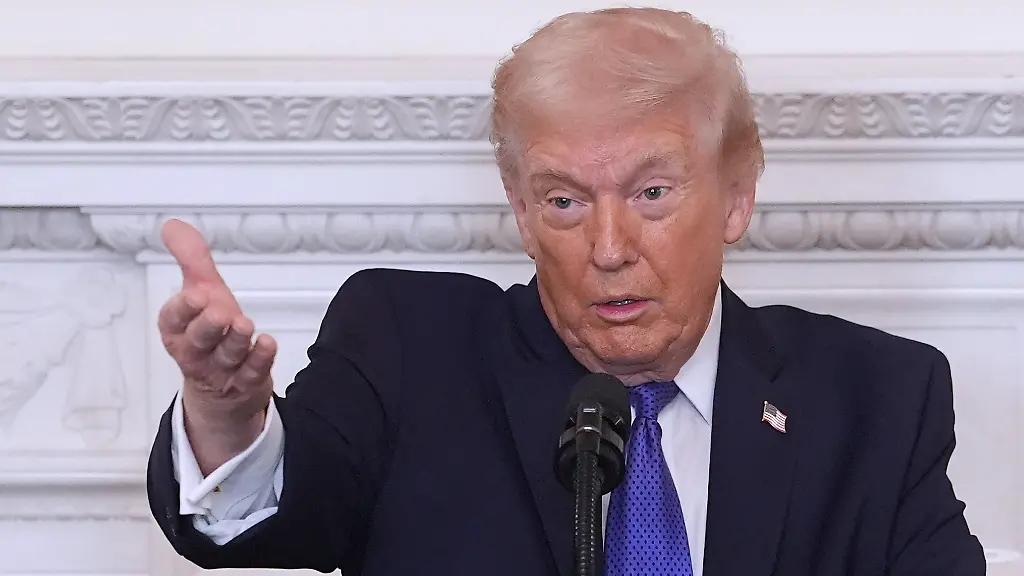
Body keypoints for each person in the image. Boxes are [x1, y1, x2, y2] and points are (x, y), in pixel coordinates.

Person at [146, 7, 987, 576]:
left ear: (737, 196)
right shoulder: (412, 351)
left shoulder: (876, 399)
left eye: (651, 193)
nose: (609, 249)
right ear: (520, 209)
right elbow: (279, 512)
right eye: (564, 202)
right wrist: (227, 419)